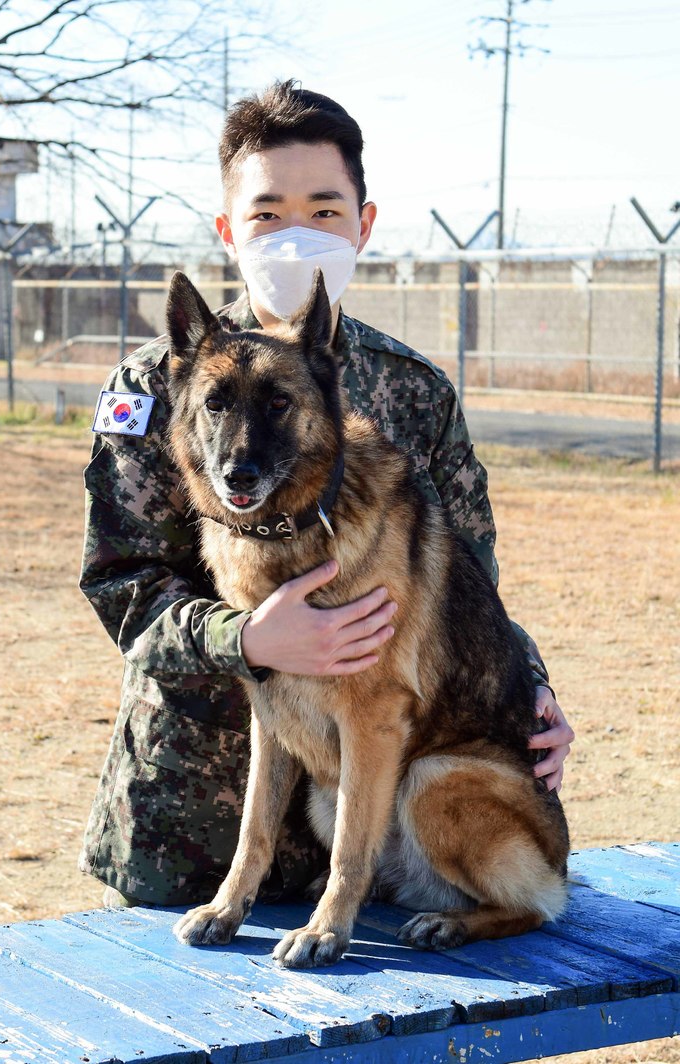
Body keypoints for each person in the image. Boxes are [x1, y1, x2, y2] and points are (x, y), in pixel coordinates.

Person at [79, 80, 574, 909]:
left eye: (325, 210)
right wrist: (248, 638)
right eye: (268, 213)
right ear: (228, 230)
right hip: (192, 831)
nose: (297, 235)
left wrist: (531, 687)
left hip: (378, 849)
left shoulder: (416, 390)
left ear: (363, 225)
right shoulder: (157, 385)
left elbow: (467, 586)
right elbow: (121, 589)